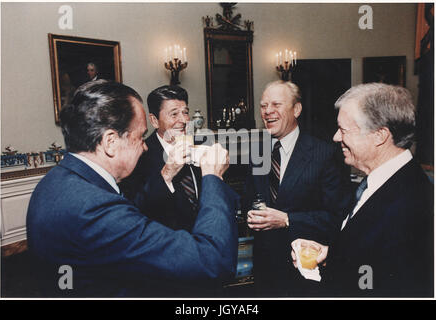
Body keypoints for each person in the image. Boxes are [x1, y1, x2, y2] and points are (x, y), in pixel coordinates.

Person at [26, 80, 239, 297]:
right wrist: (213, 175)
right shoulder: (93, 207)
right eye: (139, 137)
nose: (144, 145)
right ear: (110, 142)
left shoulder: (55, 180)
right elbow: (213, 260)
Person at [292, 83, 433, 297]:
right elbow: (375, 255)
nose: (335, 137)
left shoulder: (413, 203)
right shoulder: (378, 182)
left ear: (379, 135)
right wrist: (331, 254)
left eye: (343, 130)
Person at [244, 80, 352, 296]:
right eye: (264, 106)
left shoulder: (325, 154)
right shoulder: (257, 151)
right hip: (264, 271)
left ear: (297, 109)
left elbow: (337, 217)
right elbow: (250, 199)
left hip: (305, 272)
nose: (268, 112)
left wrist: (287, 219)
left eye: (276, 104)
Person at [120, 85, 200, 231]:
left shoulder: (199, 146)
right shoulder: (139, 155)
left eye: (185, 112)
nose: (183, 120)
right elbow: (135, 210)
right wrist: (167, 174)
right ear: (154, 120)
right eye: (174, 114)